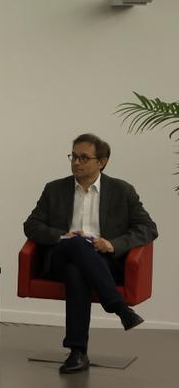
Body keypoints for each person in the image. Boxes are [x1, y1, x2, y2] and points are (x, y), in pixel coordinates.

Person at [23, 133, 158, 374]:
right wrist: (63, 236)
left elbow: (148, 228)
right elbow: (31, 225)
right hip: (60, 254)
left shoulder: (122, 191)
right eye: (73, 156)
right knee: (76, 244)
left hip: (103, 261)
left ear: (102, 162)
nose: (76, 162)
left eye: (83, 157)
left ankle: (77, 352)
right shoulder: (54, 189)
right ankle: (119, 307)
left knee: (76, 271)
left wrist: (113, 244)